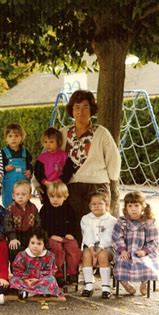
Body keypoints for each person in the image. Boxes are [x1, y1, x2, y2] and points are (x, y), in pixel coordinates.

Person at [60, 90, 120, 223]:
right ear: (72, 110)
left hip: (97, 186)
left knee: (99, 226)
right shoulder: (63, 133)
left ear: (91, 109)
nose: (81, 111)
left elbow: (113, 157)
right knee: (75, 229)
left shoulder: (101, 132)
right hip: (71, 187)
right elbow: (48, 156)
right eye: (77, 107)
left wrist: (112, 177)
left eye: (85, 107)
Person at [113, 191, 159, 296]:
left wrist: (145, 251)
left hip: (143, 252)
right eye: (130, 206)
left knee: (146, 265)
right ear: (126, 207)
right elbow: (117, 237)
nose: (133, 208)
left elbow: (154, 240)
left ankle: (144, 283)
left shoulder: (148, 222)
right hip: (126, 252)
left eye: (136, 205)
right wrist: (122, 250)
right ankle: (126, 284)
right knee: (120, 265)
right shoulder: (122, 221)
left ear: (143, 206)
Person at [39, 182, 81, 287]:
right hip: (52, 237)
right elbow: (43, 225)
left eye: (58, 197)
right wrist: (51, 235)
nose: (55, 200)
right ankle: (58, 274)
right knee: (56, 249)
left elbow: (73, 223)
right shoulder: (45, 209)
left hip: (66, 236)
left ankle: (72, 273)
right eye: (52, 196)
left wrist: (70, 233)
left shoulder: (69, 209)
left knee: (73, 247)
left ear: (65, 197)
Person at [9, 229, 64, 300]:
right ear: (28, 243)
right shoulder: (22, 255)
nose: (35, 246)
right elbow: (17, 269)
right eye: (32, 243)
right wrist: (27, 278)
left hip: (40, 279)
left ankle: (32, 292)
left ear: (44, 245)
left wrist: (36, 278)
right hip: (25, 280)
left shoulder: (49, 256)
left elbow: (51, 270)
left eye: (39, 244)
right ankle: (30, 292)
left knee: (51, 279)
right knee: (14, 280)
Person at [80, 192, 117, 299]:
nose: (96, 206)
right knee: (86, 254)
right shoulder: (85, 219)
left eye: (100, 203)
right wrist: (92, 250)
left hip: (107, 247)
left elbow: (108, 236)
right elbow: (87, 234)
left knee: (103, 256)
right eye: (93, 204)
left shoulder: (112, 220)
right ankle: (89, 286)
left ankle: (106, 288)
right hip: (91, 246)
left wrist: (99, 249)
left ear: (106, 205)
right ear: (89, 206)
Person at [4, 181, 40, 266]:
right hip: (16, 234)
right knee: (14, 248)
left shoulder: (33, 207)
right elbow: (8, 223)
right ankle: (15, 271)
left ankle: (30, 270)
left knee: (32, 250)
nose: (20, 197)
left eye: (23, 194)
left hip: (30, 234)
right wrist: (12, 238)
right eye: (17, 194)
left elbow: (37, 222)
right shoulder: (11, 208)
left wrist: (35, 236)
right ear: (13, 196)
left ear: (29, 196)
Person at [34, 127, 73, 204]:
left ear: (58, 142)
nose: (48, 144)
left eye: (51, 142)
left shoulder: (64, 156)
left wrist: (60, 181)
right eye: (45, 142)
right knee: (47, 205)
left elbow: (68, 171)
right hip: (46, 186)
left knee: (61, 205)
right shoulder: (42, 157)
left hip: (60, 186)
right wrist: (45, 182)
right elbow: (38, 172)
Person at [1, 123, 32, 208]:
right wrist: (5, 168)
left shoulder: (25, 152)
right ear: (6, 139)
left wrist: (30, 171)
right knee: (9, 205)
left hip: (23, 184)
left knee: (23, 203)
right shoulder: (3, 152)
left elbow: (29, 164)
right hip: (9, 185)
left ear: (21, 137)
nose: (13, 138)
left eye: (16, 136)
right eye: (10, 136)